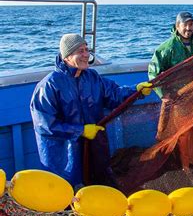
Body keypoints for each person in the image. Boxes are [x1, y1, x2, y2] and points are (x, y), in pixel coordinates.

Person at [30, 33, 152, 187]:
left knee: (97, 184)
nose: (86, 55)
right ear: (67, 56)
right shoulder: (49, 85)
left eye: (87, 50)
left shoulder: (92, 77)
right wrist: (80, 131)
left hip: (94, 147)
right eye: (80, 51)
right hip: (64, 157)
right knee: (67, 193)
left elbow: (113, 95)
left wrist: (136, 91)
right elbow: (45, 125)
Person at [148, 11, 193, 168]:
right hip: (177, 97)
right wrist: (163, 94)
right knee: (181, 133)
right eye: (186, 24)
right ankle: (184, 165)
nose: (189, 28)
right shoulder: (167, 47)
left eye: (192, 24)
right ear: (177, 26)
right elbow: (153, 72)